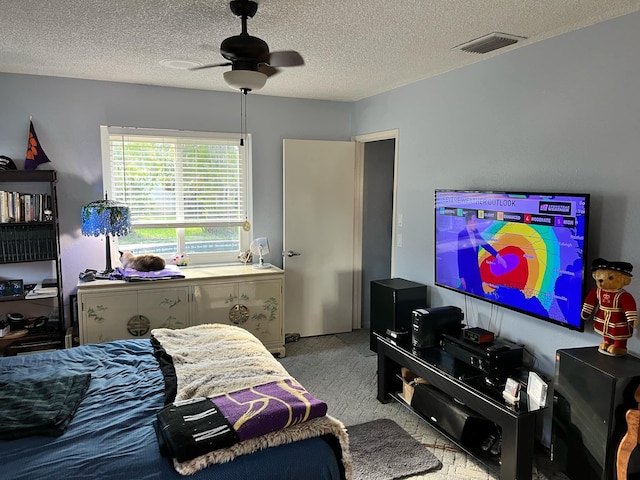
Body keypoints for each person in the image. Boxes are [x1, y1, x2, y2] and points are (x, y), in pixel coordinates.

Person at [457, 211, 505, 296]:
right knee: (467, 297)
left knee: (480, 295)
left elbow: (485, 244)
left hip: (476, 272)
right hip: (467, 274)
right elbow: (460, 257)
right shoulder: (462, 235)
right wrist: (461, 276)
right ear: (469, 222)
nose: (476, 223)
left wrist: (498, 256)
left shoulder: (475, 232)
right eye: (474, 221)